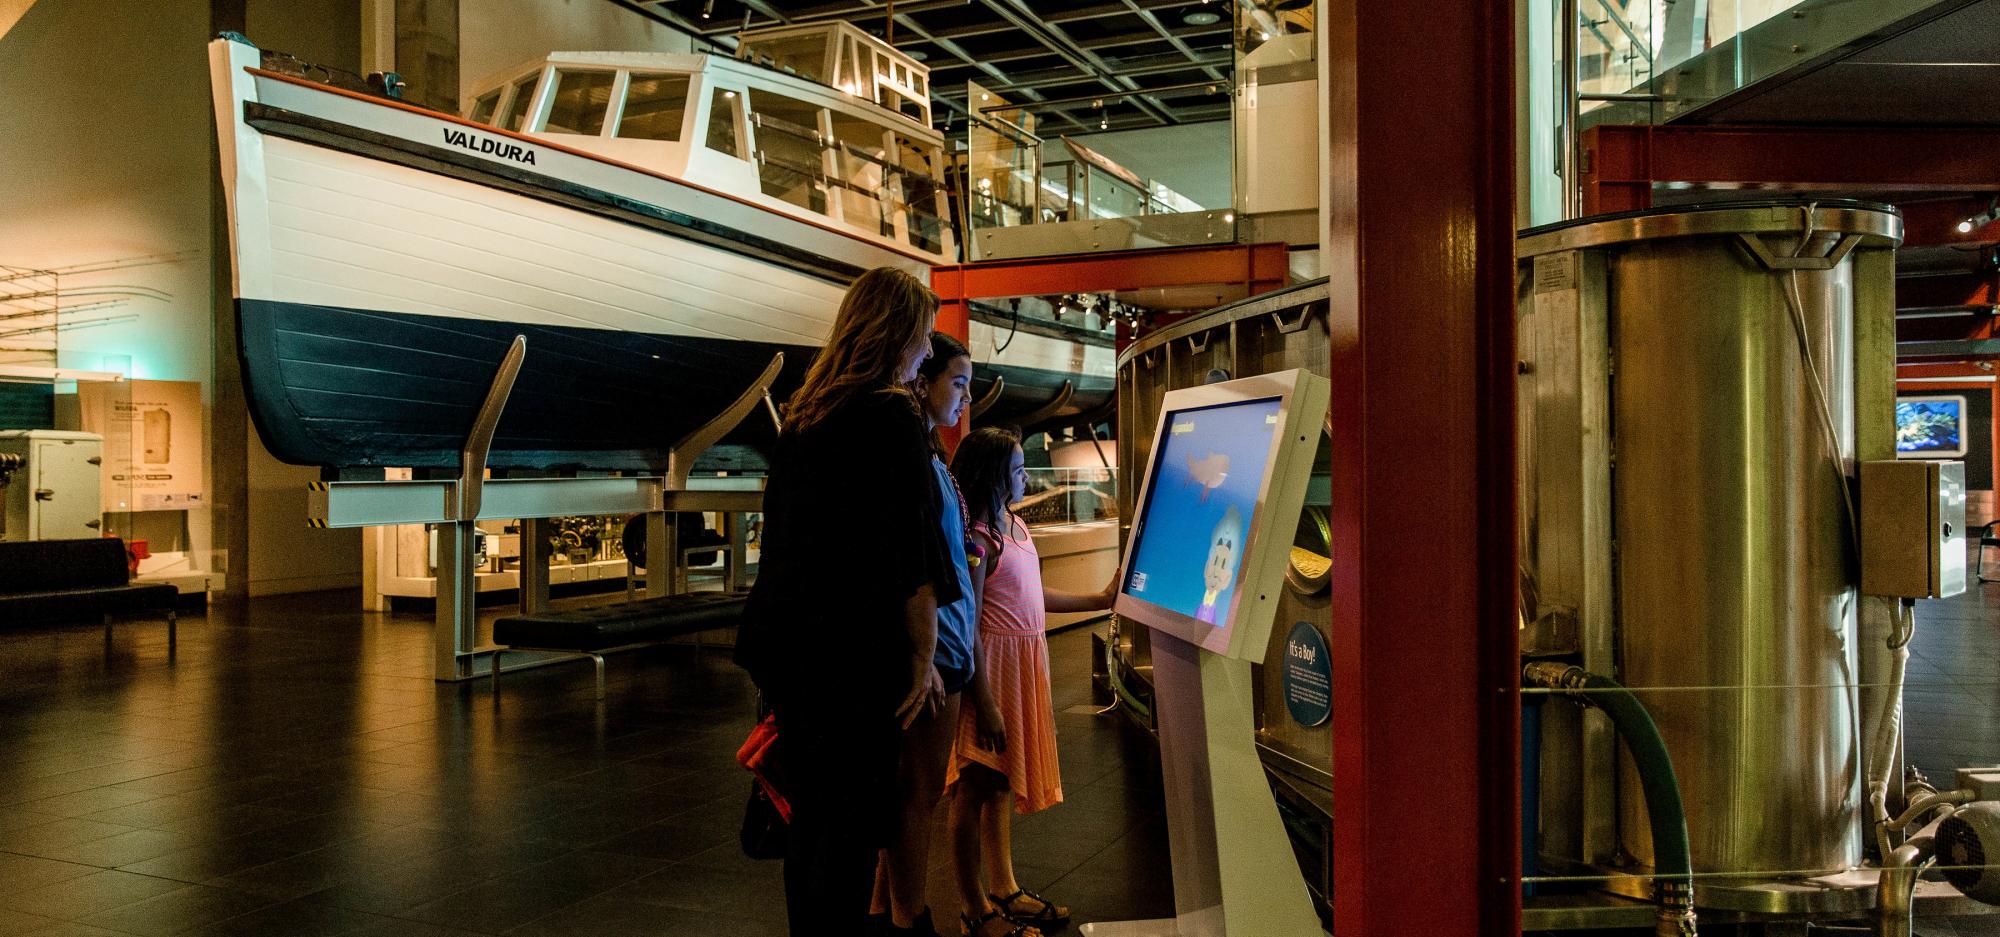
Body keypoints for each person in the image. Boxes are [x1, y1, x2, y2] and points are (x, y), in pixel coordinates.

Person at [735, 267, 961, 937]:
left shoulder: (807, 410)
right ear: (899, 335)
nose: (926, 353)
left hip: (792, 651)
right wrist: (924, 654)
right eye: (922, 337)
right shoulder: (891, 413)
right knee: (855, 825)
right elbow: (911, 555)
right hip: (856, 656)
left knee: (809, 824)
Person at [947, 428, 1116, 937]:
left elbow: (1032, 596)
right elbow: (969, 621)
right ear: (995, 475)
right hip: (993, 672)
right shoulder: (979, 538)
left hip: (1020, 666)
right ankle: (972, 906)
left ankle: (1003, 886)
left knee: (998, 781)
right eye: (1019, 469)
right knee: (973, 786)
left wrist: (1097, 599)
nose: (1026, 477)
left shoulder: (1014, 526)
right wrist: (985, 702)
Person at [872, 333, 980, 937]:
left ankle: (886, 910)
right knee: (918, 794)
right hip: (935, 648)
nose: (965, 397)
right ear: (922, 378)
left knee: (916, 792)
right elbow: (904, 560)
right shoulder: (912, 451)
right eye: (958, 383)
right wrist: (925, 654)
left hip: (951, 643)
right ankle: (910, 918)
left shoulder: (933, 451)